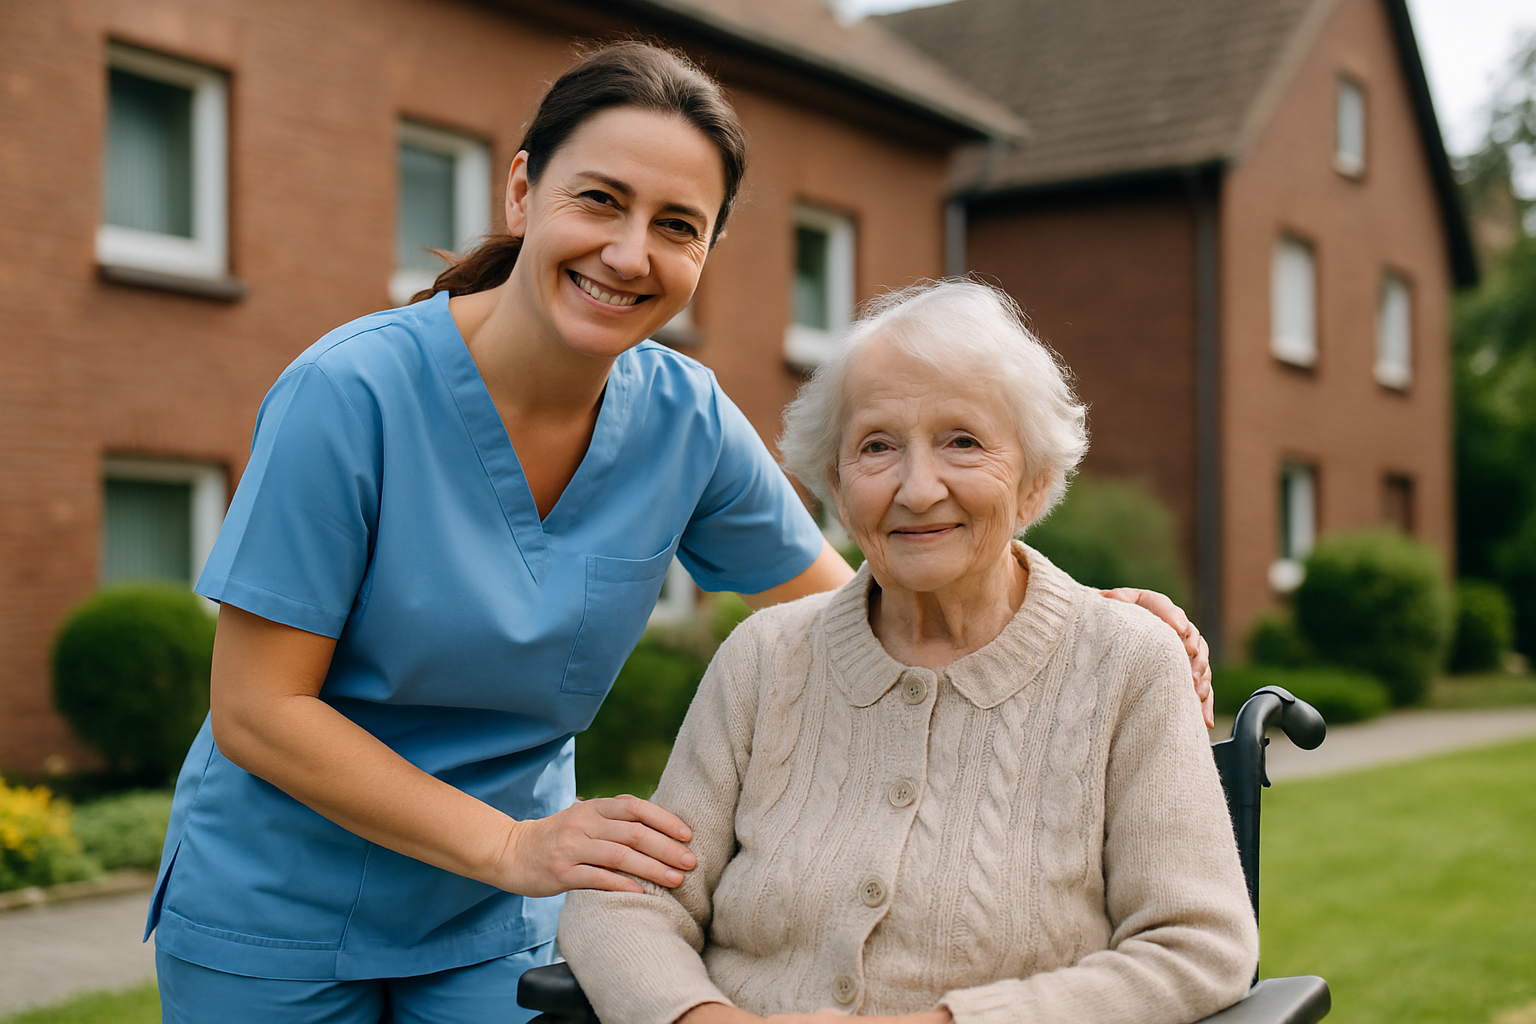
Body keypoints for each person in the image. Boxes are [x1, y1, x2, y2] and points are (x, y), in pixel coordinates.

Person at [147, 44, 1213, 1024]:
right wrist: (513, 844)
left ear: (707, 248)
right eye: (599, 201)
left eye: (676, 224)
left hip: (498, 919)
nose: (628, 251)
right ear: (523, 192)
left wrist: (1065, 616)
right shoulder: (352, 392)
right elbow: (258, 710)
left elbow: (855, 600)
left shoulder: (684, 419)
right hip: (280, 904)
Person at [558, 280, 1258, 1024]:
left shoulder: (1127, 665)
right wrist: (702, 1018)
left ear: (1034, 482)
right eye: (878, 447)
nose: (918, 488)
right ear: (836, 485)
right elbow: (624, 900)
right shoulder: (764, 659)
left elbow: (1198, 946)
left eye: (963, 442)